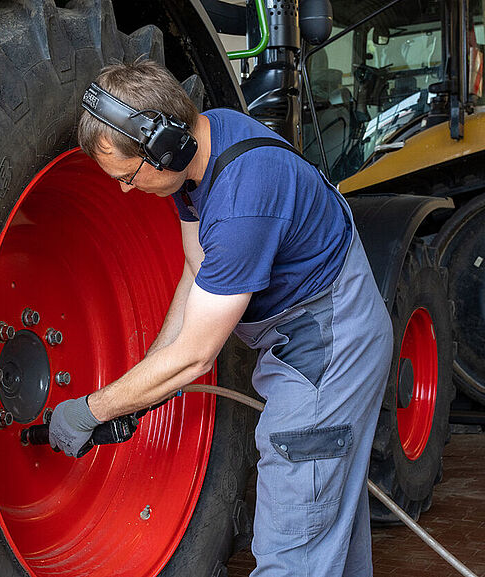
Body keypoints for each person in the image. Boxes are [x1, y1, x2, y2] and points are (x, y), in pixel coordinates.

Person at [48, 59, 393, 577]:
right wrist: (144, 380)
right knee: (328, 522)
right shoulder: (201, 148)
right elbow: (197, 266)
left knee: (294, 544)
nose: (123, 189)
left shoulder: (241, 203)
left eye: (128, 176)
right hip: (305, 330)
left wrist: (93, 409)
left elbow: (195, 355)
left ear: (165, 146)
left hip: (328, 345)